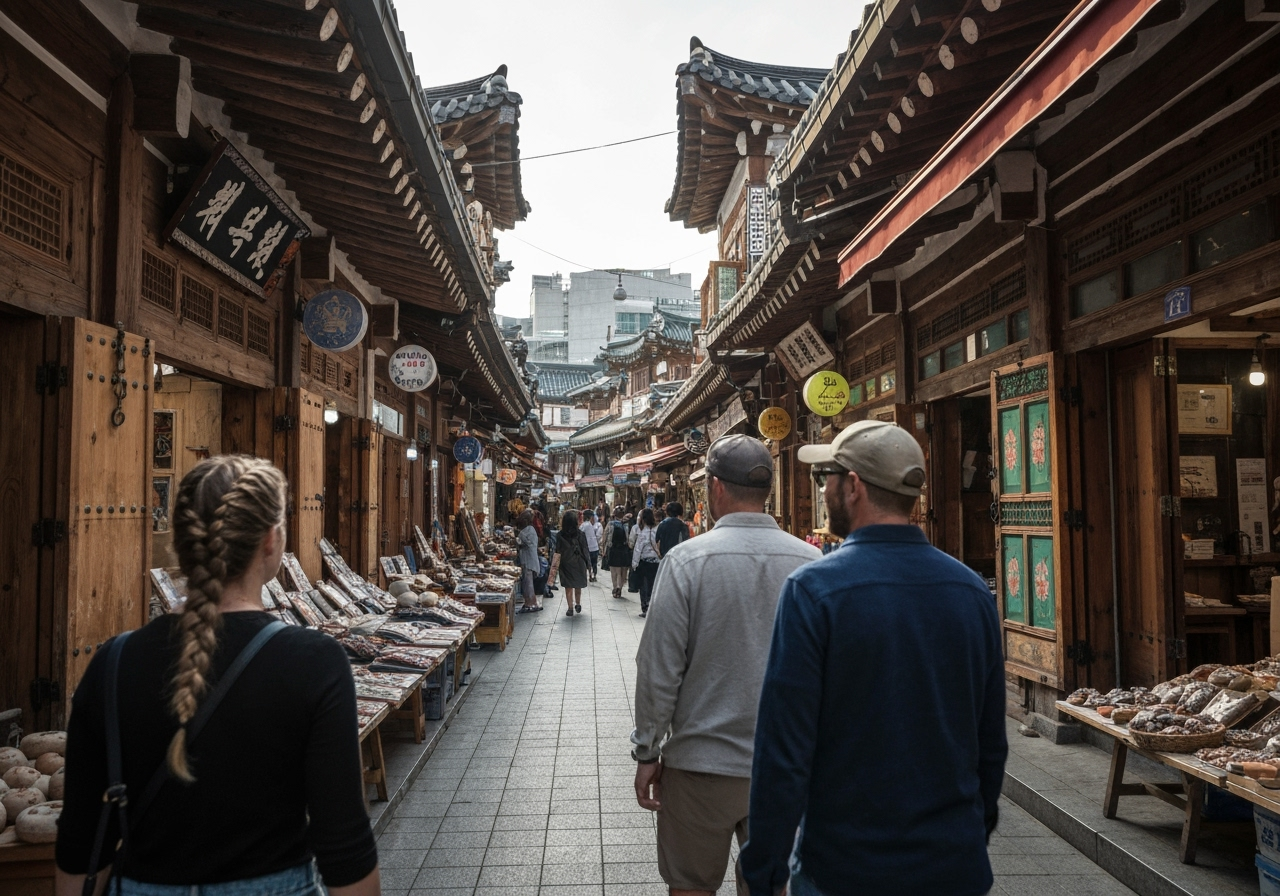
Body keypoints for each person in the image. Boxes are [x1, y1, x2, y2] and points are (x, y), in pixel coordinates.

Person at [55, 455, 380, 896]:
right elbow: (345, 849)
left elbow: (79, 844)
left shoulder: (112, 664)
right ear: (271, 541)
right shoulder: (313, 663)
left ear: (182, 542)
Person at [740, 421, 1007, 896]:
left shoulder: (815, 591)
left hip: (845, 864)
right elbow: (990, 741)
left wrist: (764, 868)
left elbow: (784, 749)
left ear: (854, 486)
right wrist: (972, 832)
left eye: (827, 477)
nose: (823, 490)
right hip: (952, 864)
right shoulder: (971, 592)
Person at [631, 435, 820, 896]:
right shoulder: (812, 562)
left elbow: (659, 666)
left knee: (692, 885)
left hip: (701, 763)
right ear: (769, 490)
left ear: (715, 488)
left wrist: (647, 750)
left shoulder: (687, 561)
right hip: (785, 767)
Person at [555, 509, 591, 617]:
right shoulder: (580, 534)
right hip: (579, 562)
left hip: (565, 563)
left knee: (568, 586)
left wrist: (554, 567)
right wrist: (589, 565)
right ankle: (578, 603)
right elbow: (585, 549)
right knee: (577, 585)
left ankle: (570, 608)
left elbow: (557, 550)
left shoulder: (559, 535)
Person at [628, 507, 661, 618]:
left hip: (644, 562)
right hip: (656, 562)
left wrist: (634, 564)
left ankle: (646, 608)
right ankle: (653, 607)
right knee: (654, 585)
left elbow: (638, 549)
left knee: (644, 586)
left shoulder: (642, 532)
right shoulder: (657, 530)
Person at [516, 510, 542, 613]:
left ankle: (532, 603)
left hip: (529, 560)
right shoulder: (528, 529)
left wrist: (517, 536)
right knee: (527, 583)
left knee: (528, 583)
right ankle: (528, 602)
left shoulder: (529, 529)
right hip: (527, 560)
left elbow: (526, 542)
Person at [606, 506, 632, 599]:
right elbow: (630, 539)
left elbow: (605, 537)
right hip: (624, 549)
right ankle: (619, 588)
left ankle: (614, 588)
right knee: (623, 571)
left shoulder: (611, 524)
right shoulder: (627, 524)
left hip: (613, 549)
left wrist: (604, 549)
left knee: (614, 571)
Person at [583, 510, 602, 582]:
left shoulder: (585, 525)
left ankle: (591, 575)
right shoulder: (596, 525)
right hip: (594, 547)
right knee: (593, 563)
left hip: (589, 548)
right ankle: (593, 576)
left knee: (588, 563)